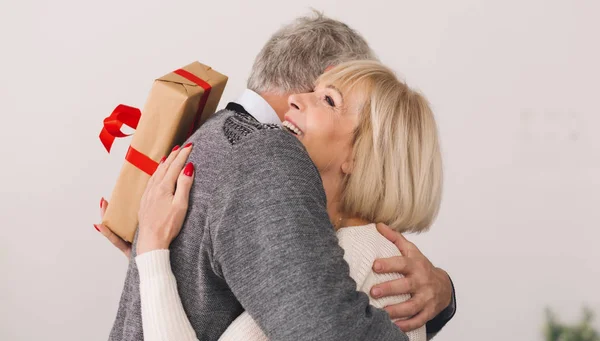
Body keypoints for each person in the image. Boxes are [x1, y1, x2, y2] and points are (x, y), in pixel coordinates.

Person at [99, 13, 456, 341]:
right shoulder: (266, 155)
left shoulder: (217, 132)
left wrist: (152, 254)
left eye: (329, 99)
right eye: (319, 93)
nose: (299, 101)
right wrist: (151, 255)